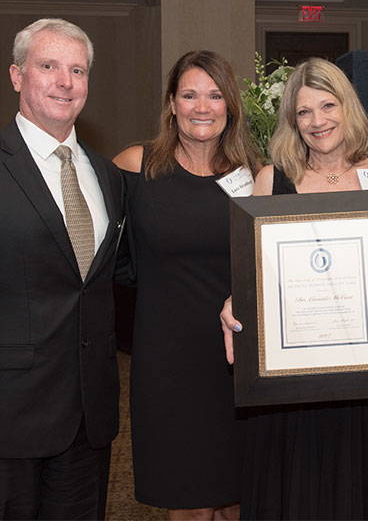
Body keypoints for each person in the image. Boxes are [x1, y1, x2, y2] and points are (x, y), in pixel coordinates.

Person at [0, 18, 124, 519]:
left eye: (78, 70)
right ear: (17, 76)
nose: (66, 81)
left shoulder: (107, 176)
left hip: (88, 423)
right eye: (49, 66)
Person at [221, 57, 368, 519]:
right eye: (304, 112)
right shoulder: (272, 180)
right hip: (293, 378)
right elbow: (252, 272)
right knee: (298, 494)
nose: (317, 121)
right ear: (292, 120)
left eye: (327, 105)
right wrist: (236, 300)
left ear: (348, 107)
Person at [113, 50, 259, 519]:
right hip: (166, 361)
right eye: (190, 94)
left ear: (230, 106)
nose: (203, 106)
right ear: (171, 103)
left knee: (241, 499)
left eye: (215, 95)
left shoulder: (255, 176)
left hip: (237, 355)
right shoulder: (136, 167)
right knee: (187, 503)